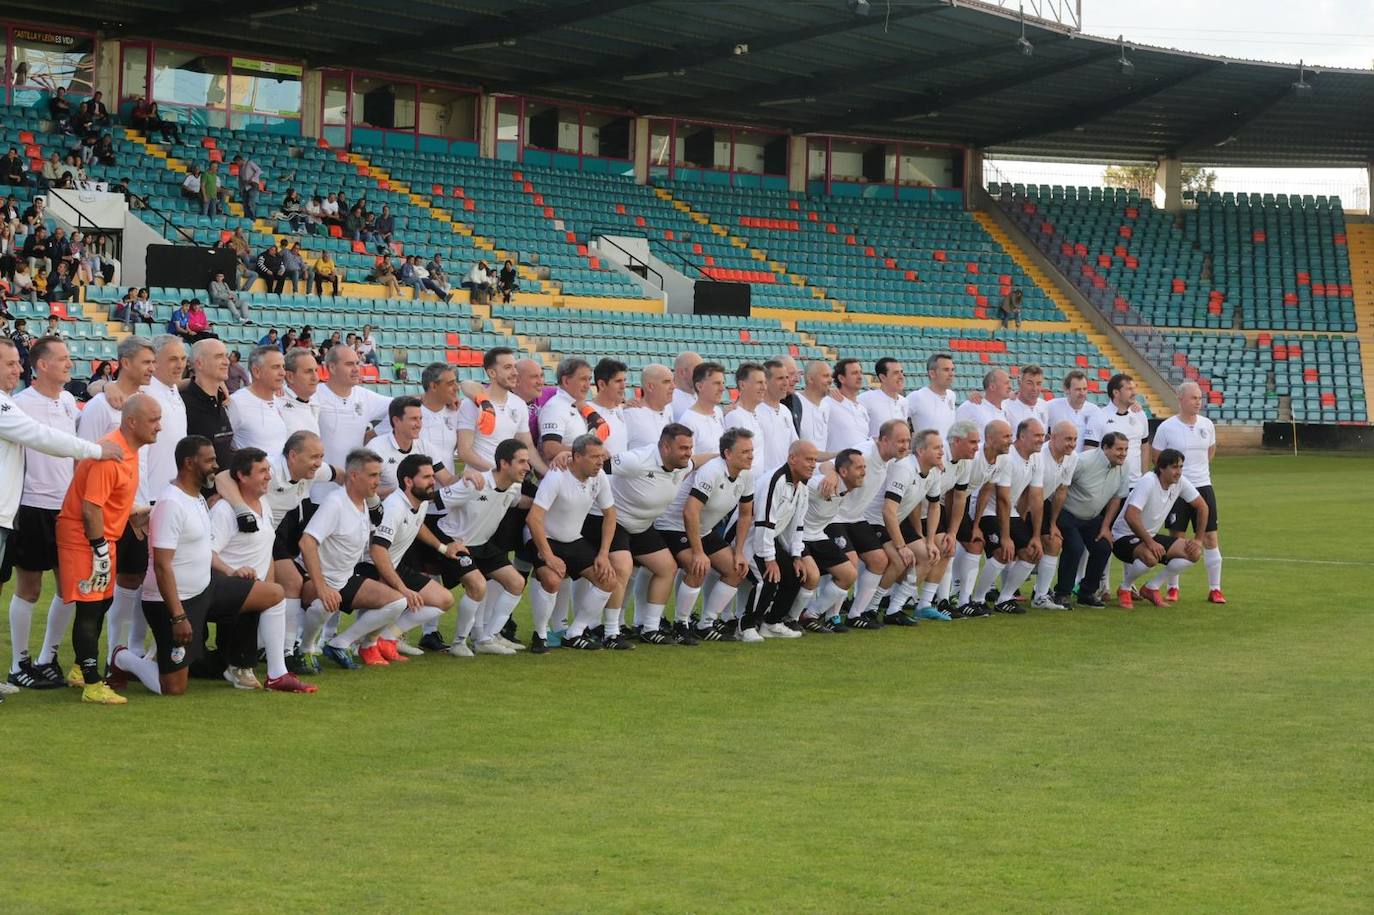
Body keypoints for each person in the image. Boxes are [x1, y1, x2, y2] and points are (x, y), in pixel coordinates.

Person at [107, 436, 282, 696]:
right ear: (189, 463)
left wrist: (230, 572)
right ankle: (122, 658)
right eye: (210, 460)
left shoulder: (198, 497)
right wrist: (178, 617)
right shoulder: (171, 503)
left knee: (272, 593)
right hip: (175, 603)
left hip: (207, 589)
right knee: (174, 688)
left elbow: (201, 549)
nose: (216, 465)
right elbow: (162, 566)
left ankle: (273, 673)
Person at [4, 337, 118, 692]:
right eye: (63, 358)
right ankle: (18, 661)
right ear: (42, 365)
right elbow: (43, 439)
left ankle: (46, 657)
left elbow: (75, 446)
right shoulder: (18, 404)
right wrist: (96, 450)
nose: (71, 364)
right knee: (30, 586)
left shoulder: (70, 401)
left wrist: (108, 392)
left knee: (70, 586)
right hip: (31, 504)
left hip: (65, 508)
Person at [57, 394, 161, 705]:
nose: (160, 426)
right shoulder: (110, 455)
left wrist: (135, 515)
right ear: (132, 422)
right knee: (90, 608)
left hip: (101, 536)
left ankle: (80, 668)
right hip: (84, 537)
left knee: (102, 603)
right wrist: (99, 549)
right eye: (153, 420)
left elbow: (110, 502)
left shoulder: (128, 451)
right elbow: (90, 509)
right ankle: (91, 682)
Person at [203, 447, 314, 693]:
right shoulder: (224, 511)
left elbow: (266, 551)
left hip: (250, 591)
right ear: (242, 477)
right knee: (274, 595)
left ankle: (246, 665)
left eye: (269, 470)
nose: (268, 476)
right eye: (262, 471)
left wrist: (268, 583)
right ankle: (276, 673)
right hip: (220, 589)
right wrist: (232, 571)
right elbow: (206, 553)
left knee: (271, 596)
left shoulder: (264, 501)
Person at [298, 449, 408, 669]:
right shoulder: (335, 503)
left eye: (378, 475)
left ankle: (340, 643)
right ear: (354, 476)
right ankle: (305, 649)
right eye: (372, 475)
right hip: (315, 579)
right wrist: (321, 587)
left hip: (345, 579)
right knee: (326, 604)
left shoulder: (364, 502)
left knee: (398, 602)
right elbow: (307, 543)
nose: (377, 481)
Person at [599, 422, 700, 646]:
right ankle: (610, 632)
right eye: (684, 448)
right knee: (623, 567)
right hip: (615, 521)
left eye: (690, 447)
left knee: (667, 568)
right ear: (665, 447)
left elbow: (697, 461)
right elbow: (594, 465)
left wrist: (719, 458)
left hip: (642, 526)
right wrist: (567, 455)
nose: (688, 453)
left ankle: (650, 628)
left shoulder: (681, 464)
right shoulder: (637, 460)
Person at [430, 438, 531, 656]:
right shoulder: (473, 483)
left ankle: (487, 638)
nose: (527, 467)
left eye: (528, 462)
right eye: (522, 461)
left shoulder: (514, 487)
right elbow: (431, 500)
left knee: (517, 583)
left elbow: (517, 501)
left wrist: (548, 503)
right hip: (454, 543)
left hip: (482, 545)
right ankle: (458, 643)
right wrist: (441, 543)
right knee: (477, 586)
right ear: (504, 464)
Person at [657, 428, 756, 642]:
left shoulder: (747, 474)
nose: (751, 456)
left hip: (703, 529)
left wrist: (739, 552)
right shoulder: (711, 471)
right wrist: (698, 552)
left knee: (736, 570)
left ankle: (706, 624)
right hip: (673, 526)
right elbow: (690, 511)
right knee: (698, 566)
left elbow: (746, 514)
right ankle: (680, 624)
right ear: (727, 454)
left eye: (751, 451)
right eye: (745, 451)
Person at [525, 434, 621, 653]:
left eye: (602, 456)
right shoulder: (556, 475)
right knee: (552, 579)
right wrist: (548, 556)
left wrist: (603, 554)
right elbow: (534, 518)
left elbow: (610, 515)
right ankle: (540, 634)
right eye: (594, 457)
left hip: (573, 539)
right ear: (577, 457)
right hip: (545, 537)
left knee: (607, 580)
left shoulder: (599, 477)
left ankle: (575, 633)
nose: (600, 462)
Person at [359, 454, 459, 663]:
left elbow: (417, 524)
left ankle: (387, 638)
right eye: (426, 477)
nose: (433, 481)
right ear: (408, 481)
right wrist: (401, 587)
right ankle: (355, 644)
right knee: (398, 600)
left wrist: (443, 548)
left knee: (444, 599)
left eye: (433, 476)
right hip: (372, 567)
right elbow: (378, 551)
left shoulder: (419, 501)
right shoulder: (394, 507)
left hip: (393, 565)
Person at [738, 440, 819, 642]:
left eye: (815, 460)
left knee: (793, 574)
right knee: (768, 577)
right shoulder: (776, 479)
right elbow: (763, 521)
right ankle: (745, 626)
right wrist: (769, 559)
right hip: (749, 538)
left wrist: (796, 555)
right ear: (792, 458)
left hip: (767, 540)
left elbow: (798, 526)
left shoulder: (802, 489)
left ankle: (772, 623)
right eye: (808, 459)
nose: (813, 465)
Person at [1155, 381, 1225, 603]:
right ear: (1181, 398)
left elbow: (1210, 452)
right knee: (1177, 537)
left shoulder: (1207, 424)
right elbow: (1158, 458)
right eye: (1194, 398)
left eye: (1200, 397)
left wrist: (1197, 473)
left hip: (1203, 486)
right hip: (1178, 489)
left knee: (1210, 537)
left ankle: (1215, 588)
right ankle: (1173, 587)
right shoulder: (1167, 427)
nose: (1198, 402)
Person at [1112, 449, 1208, 609]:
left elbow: (1202, 507)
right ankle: (1125, 588)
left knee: (1194, 553)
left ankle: (1151, 587)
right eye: (1175, 467)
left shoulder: (1181, 482)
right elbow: (1131, 515)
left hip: (1148, 536)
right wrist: (1150, 542)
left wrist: (1198, 539)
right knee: (1150, 557)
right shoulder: (1148, 481)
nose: (1179, 472)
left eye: (1181, 467)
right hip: (1122, 537)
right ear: (1161, 468)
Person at [969, 418, 1046, 615]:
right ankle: (977, 598)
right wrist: (1005, 537)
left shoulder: (1037, 458)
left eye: (1042, 435)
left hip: (1008, 511)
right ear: (1022, 436)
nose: (1041, 439)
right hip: (987, 510)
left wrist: (1036, 535)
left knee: (1031, 552)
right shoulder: (1008, 456)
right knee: (1003, 552)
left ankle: (1005, 598)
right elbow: (1002, 499)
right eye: (1037, 435)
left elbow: (1036, 497)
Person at [1053, 431, 1131, 609]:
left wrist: (1105, 527)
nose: (1123, 453)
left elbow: (1116, 498)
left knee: (1103, 547)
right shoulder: (1083, 461)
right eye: (1119, 449)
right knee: (1075, 548)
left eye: (1126, 449)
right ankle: (1062, 593)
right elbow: (1061, 487)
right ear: (1105, 448)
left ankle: (1086, 593)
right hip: (1067, 513)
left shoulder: (1125, 467)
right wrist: (1053, 521)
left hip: (1092, 518)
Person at [310, 344, 392, 506]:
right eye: (349, 364)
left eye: (357, 363)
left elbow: (401, 407)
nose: (356, 369)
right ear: (332, 368)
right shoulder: (314, 395)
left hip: (353, 493)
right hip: (318, 493)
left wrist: (374, 434)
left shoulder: (364, 396)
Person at [794, 446, 865, 631]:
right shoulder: (821, 484)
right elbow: (794, 485)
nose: (864, 473)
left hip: (818, 535)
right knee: (813, 577)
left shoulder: (844, 486)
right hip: (799, 536)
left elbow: (826, 465)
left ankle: (811, 615)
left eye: (864, 467)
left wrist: (830, 471)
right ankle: (790, 619)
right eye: (859, 468)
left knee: (849, 574)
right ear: (843, 471)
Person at [1029, 420, 1079, 610]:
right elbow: (1030, 494)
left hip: (1043, 503)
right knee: (1022, 548)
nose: (1072, 444)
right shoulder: (1039, 455)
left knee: (1054, 541)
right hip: (1023, 503)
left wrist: (1052, 523)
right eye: (1068, 439)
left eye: (1075, 439)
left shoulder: (1072, 457)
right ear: (1053, 437)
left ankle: (1040, 595)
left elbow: (1061, 491)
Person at [1086, 373, 1151, 484]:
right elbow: (1089, 451)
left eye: (1134, 389)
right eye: (1129, 389)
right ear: (1116, 393)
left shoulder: (1140, 415)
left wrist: (1144, 477)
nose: (1134, 393)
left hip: (1135, 485)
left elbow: (1144, 447)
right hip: (1107, 485)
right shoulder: (1098, 417)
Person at [182, 337, 235, 470]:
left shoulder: (223, 401)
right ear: (199, 364)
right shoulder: (182, 404)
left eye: (226, 356)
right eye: (219, 356)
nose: (226, 362)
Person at [906, 352, 958, 447]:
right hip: (925, 457)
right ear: (932, 373)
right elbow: (897, 420)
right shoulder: (917, 397)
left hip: (948, 457)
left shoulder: (952, 396)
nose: (951, 374)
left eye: (952, 370)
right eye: (946, 370)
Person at [1046, 369, 1099, 454]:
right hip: (1057, 462)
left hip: (1082, 463)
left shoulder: (1095, 411)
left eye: (1084, 389)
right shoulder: (1051, 406)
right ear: (1066, 389)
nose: (1082, 393)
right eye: (1078, 389)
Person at [827, 358, 871, 453]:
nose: (860, 377)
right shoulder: (828, 403)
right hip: (835, 464)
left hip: (860, 463)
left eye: (860, 372)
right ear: (841, 378)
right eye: (854, 373)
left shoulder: (862, 409)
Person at [857, 357, 907, 436]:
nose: (901, 377)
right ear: (882, 377)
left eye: (901, 372)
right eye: (895, 373)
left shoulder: (904, 402)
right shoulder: (865, 399)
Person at [956, 368, 1011, 433]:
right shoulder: (970, 407)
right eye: (1006, 383)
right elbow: (957, 435)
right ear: (992, 387)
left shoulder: (1007, 406)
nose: (1010, 386)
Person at [1003, 364, 1050, 435]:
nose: (1034, 388)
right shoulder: (1005, 406)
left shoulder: (1044, 405)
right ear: (1019, 383)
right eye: (1029, 383)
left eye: (1038, 384)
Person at [797, 360, 834, 451]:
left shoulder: (826, 406)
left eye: (831, 376)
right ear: (810, 379)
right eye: (825, 376)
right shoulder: (795, 402)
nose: (830, 380)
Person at [669, 351, 702, 420]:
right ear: (682, 372)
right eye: (698, 371)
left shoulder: (704, 398)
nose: (703, 375)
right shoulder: (668, 400)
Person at [234, 154, 262, 219]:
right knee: (245, 204)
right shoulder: (240, 168)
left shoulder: (249, 163)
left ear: (239, 160)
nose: (237, 164)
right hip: (244, 187)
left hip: (252, 186)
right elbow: (240, 180)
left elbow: (259, 170)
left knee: (251, 202)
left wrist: (252, 179)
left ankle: (253, 217)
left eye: (237, 162)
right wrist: (240, 189)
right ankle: (247, 218)